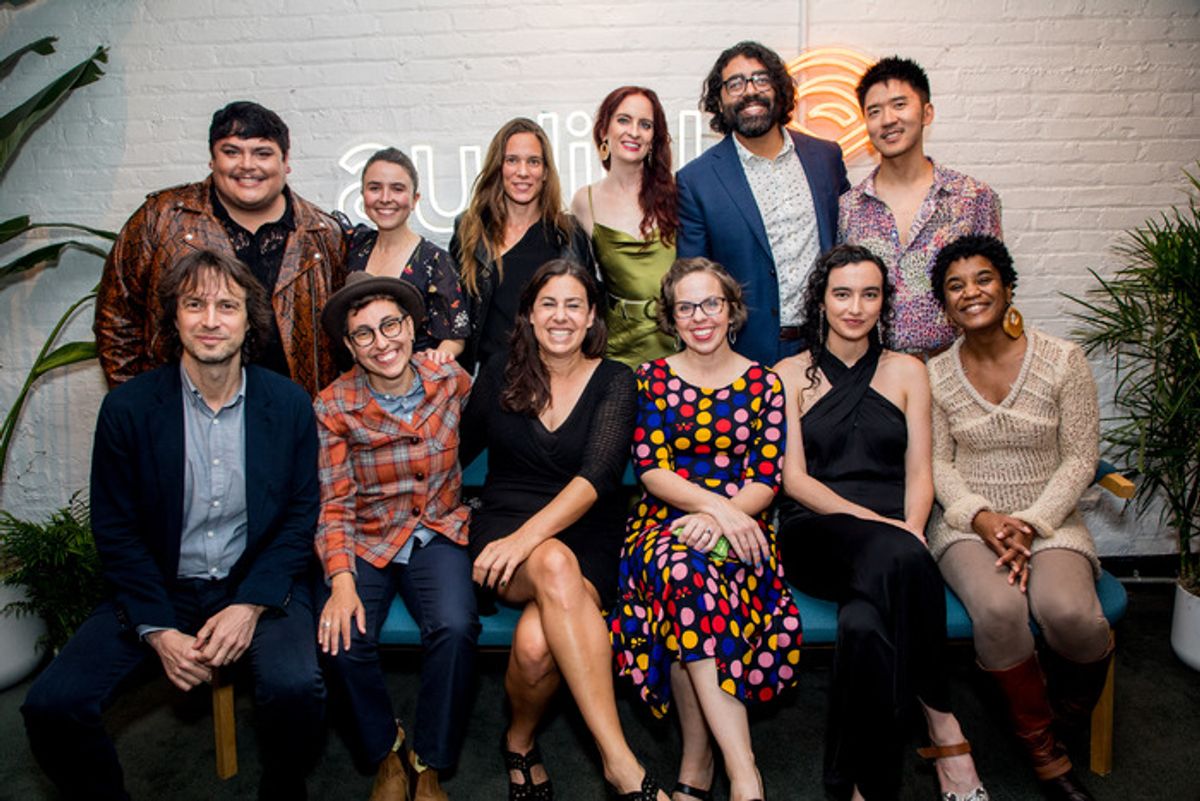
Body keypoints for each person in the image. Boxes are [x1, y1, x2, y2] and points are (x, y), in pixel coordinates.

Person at [23, 249, 325, 800]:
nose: (211, 320)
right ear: (174, 318)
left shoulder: (288, 405)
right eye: (194, 304)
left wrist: (250, 604)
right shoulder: (129, 409)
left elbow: (300, 515)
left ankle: (283, 788)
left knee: (296, 689)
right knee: (53, 705)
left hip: (254, 580)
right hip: (160, 586)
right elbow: (116, 531)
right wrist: (158, 630)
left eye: (227, 306)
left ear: (249, 321)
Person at [774, 245, 987, 801]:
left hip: (896, 538)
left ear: (884, 302)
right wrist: (884, 528)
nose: (855, 307)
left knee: (865, 627)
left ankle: (858, 786)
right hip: (815, 531)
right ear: (820, 301)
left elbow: (920, 472)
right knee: (898, 557)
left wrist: (912, 526)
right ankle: (944, 724)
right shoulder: (787, 374)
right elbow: (794, 481)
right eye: (842, 294)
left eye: (869, 295)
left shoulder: (908, 371)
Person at [461, 260, 667, 801]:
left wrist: (526, 539)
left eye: (574, 304)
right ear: (529, 314)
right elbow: (453, 450)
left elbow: (598, 476)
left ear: (592, 315)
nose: (561, 316)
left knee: (535, 648)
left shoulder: (616, 379)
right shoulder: (499, 371)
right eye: (548, 304)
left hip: (587, 530)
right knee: (553, 562)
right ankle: (620, 763)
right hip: (504, 526)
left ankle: (519, 741)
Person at [927, 235, 1113, 801]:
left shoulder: (1063, 359)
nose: (971, 292)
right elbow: (937, 463)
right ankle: (1044, 754)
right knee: (1000, 610)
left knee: (1071, 615)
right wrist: (981, 517)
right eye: (955, 286)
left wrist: (1030, 522)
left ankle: (1060, 716)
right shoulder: (935, 373)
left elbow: (1080, 457)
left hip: (1051, 520)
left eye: (983, 279)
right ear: (945, 304)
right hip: (966, 524)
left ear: (1008, 287)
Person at [611, 257, 801, 801]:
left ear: (731, 309)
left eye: (711, 304)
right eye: (686, 307)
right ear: (670, 317)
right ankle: (745, 774)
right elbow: (652, 470)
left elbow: (766, 477)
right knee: (682, 572)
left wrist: (724, 519)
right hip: (663, 525)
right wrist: (715, 512)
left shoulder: (765, 382)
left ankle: (699, 764)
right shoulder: (652, 379)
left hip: (744, 527)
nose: (700, 317)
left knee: (691, 590)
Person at [313, 271, 479, 801]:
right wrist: (341, 581)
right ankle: (387, 747)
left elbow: (491, 421)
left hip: (438, 530)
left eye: (391, 326)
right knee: (341, 640)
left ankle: (428, 758)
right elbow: (333, 503)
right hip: (370, 538)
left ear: (411, 328)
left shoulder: (447, 377)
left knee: (455, 627)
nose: (381, 342)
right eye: (364, 333)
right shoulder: (333, 406)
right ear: (349, 346)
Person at [94, 101, 346, 396]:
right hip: (182, 408)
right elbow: (116, 319)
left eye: (262, 153)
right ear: (212, 159)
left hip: (290, 412)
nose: (247, 165)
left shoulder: (323, 234)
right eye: (232, 152)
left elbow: (344, 337)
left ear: (285, 161)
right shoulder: (162, 218)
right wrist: (139, 404)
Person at [676, 41, 849, 366]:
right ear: (719, 100)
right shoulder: (697, 180)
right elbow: (692, 279)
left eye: (761, 79)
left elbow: (847, 246)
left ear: (779, 89)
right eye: (735, 84)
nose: (750, 91)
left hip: (831, 343)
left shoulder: (825, 158)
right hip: (745, 354)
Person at [839, 56, 1002, 356]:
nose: (888, 119)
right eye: (874, 111)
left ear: (927, 113)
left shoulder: (972, 198)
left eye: (899, 105)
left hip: (957, 366)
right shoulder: (849, 208)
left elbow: (995, 290)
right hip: (875, 371)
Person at [451, 118, 594, 372]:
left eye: (533, 161)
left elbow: (591, 312)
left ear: (545, 172)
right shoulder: (470, 231)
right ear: (498, 167)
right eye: (512, 160)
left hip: (554, 378)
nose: (523, 172)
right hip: (490, 380)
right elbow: (455, 312)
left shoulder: (568, 235)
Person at [570, 86, 677, 367]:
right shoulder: (584, 201)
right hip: (617, 348)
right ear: (604, 130)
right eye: (624, 120)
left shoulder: (678, 193)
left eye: (645, 125)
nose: (634, 132)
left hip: (679, 342)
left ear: (653, 139)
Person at [339, 147, 469, 361]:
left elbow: (455, 337)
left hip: (412, 376)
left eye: (397, 189)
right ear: (363, 195)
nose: (385, 198)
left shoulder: (435, 261)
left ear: (414, 199)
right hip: (361, 375)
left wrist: (435, 359)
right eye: (375, 188)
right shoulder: (353, 244)